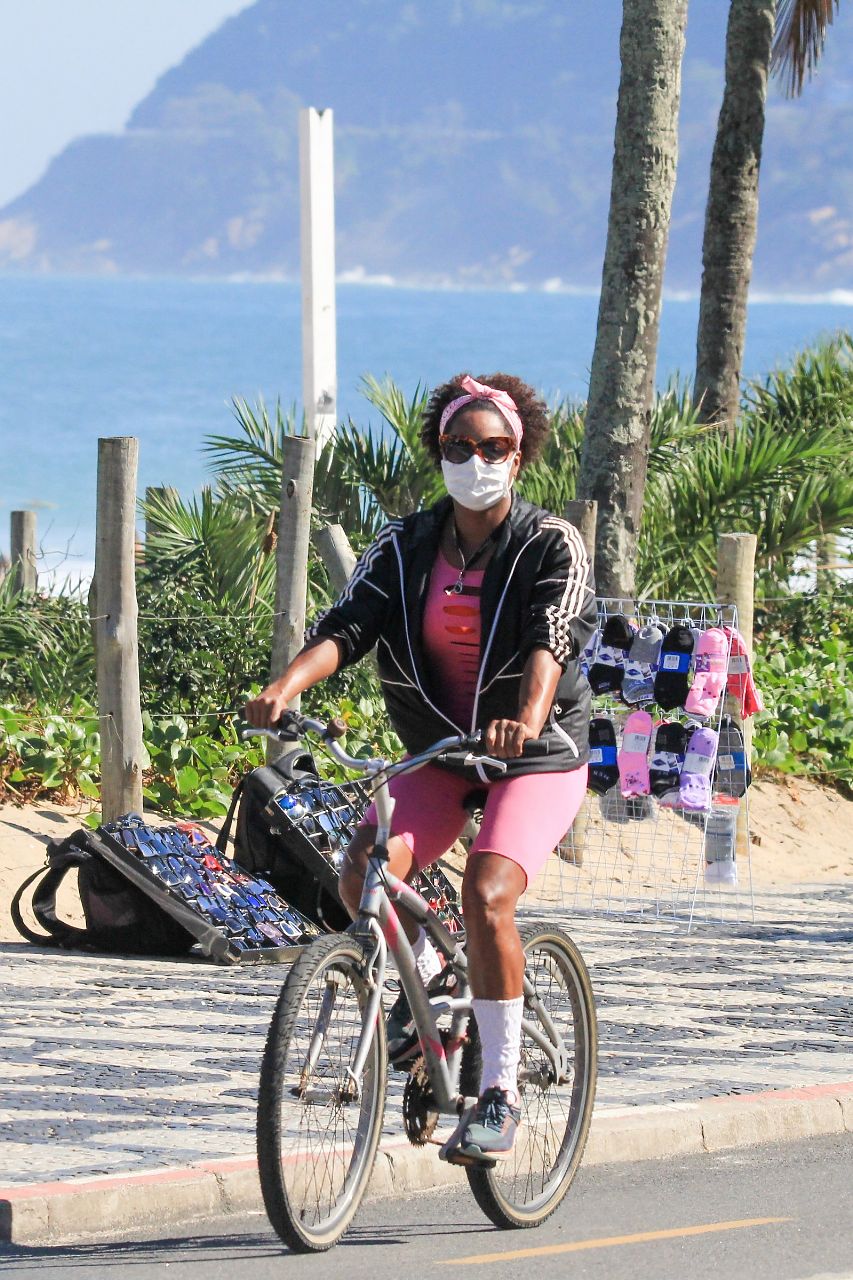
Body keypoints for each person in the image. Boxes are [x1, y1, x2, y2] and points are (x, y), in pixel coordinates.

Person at [245, 372, 597, 1164]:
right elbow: (349, 624)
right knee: (360, 871)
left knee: (486, 890)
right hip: (441, 749)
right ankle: (433, 984)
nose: (476, 460)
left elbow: (552, 635)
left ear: (519, 455)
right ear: (438, 452)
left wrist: (528, 721)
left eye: (493, 447)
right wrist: (284, 686)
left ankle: (499, 1092)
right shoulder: (404, 544)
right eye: (458, 446)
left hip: (534, 755)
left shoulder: (551, 543)